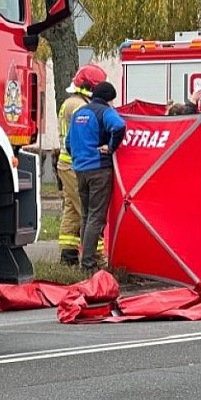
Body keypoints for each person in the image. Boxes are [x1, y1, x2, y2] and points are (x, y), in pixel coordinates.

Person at [65, 82, 126, 273]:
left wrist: (80, 156)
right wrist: (110, 147)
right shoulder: (104, 111)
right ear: (109, 98)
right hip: (99, 169)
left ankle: (86, 259)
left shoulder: (79, 113)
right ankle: (88, 264)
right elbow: (119, 126)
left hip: (80, 169)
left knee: (85, 215)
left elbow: (68, 142)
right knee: (96, 218)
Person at [56, 64, 107, 266]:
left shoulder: (70, 102)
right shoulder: (80, 106)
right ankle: (96, 258)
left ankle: (67, 256)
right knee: (89, 211)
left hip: (66, 164)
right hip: (75, 165)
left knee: (72, 209)